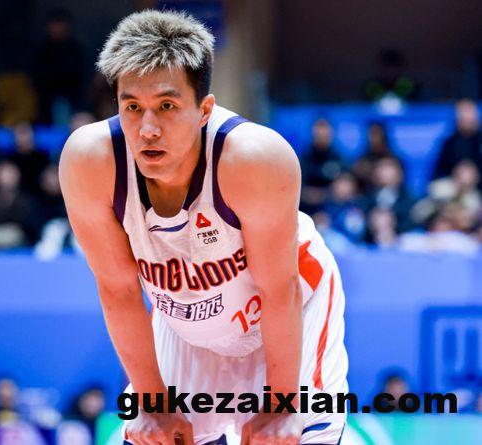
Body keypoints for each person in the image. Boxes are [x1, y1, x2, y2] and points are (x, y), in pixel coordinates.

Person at [60, 10, 348, 445]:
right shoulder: (90, 162)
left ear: (204, 110)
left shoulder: (254, 159)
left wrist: (282, 405)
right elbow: (119, 291)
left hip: (289, 308)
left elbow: (279, 290)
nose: (148, 128)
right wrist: (152, 403)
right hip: (188, 323)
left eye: (167, 106)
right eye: (132, 107)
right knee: (152, 433)